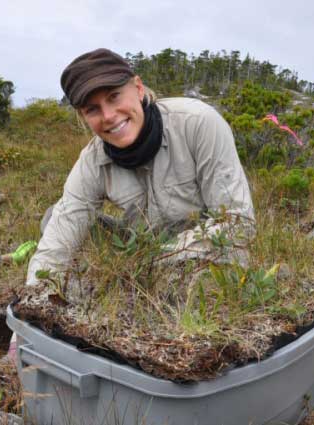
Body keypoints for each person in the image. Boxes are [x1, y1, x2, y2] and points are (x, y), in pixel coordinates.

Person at [24, 48, 255, 287]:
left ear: (138, 88)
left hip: (202, 253)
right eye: (92, 109)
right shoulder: (93, 161)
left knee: (220, 265)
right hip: (140, 250)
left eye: (114, 96)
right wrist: (35, 298)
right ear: (84, 117)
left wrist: (156, 259)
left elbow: (238, 223)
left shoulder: (198, 123)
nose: (109, 116)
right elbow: (56, 245)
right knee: (55, 218)